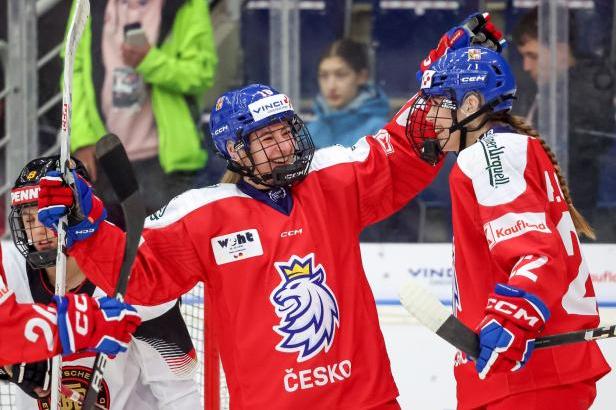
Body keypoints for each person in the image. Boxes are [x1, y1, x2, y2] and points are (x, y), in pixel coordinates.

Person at [34, 16, 504, 409]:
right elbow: (141, 274)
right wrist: (83, 222)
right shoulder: (202, 213)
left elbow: (402, 149)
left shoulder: (333, 178)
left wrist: (440, 87)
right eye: (268, 138)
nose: (285, 145)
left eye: (287, 131)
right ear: (236, 149)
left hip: (366, 401)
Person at [408, 46, 610, 409]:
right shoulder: (501, 149)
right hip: (527, 377)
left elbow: (536, 253)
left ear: (470, 104)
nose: (430, 116)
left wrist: (510, 323)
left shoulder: (490, 153)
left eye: (438, 102)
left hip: (527, 378)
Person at [4, 156, 200, 409]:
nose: (39, 231)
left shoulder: (134, 278)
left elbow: (178, 389)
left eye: (47, 217)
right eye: (29, 220)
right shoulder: (9, 275)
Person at [67, 0, 218, 226]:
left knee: (168, 250)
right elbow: (72, 71)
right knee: (114, 253)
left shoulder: (188, 5)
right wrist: (81, 139)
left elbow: (201, 73)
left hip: (164, 162)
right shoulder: (86, 3)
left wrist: (150, 61)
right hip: (105, 159)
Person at [512, 7, 615, 231]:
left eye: (533, 56)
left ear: (559, 49)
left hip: (584, 216)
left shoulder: (595, 90)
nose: (527, 66)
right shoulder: (533, 90)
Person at [308, 39, 390, 149]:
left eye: (341, 75)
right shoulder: (310, 133)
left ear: (362, 76)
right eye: (324, 76)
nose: (331, 86)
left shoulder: (379, 132)